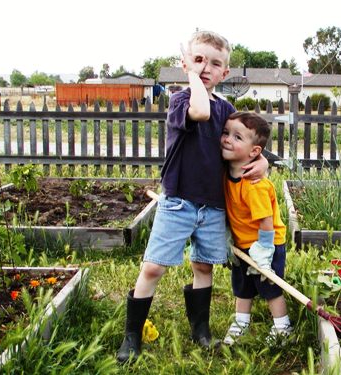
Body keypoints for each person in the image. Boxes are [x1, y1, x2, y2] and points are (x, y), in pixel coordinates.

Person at [116, 30, 268, 363]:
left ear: (224, 73)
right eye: (198, 60)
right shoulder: (181, 100)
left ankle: (200, 329)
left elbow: (244, 141)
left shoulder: (226, 108)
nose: (205, 68)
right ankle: (132, 334)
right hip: (179, 201)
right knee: (154, 268)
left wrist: (263, 160)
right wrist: (191, 75)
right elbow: (199, 111)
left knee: (203, 265)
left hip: (213, 205)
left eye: (215, 64)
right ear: (186, 64)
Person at [221, 111, 292, 346]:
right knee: (242, 287)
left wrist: (264, 253)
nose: (228, 139)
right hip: (242, 244)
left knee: (270, 288)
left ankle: (283, 326)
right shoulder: (225, 172)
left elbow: (265, 222)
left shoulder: (254, 185)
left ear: (254, 152)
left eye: (237, 137)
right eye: (226, 133)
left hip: (266, 244)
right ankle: (241, 322)